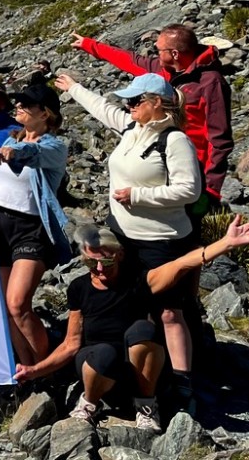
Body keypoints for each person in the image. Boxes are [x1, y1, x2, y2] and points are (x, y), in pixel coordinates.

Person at [16, 216, 249, 429]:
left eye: (106, 262)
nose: (100, 269)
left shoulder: (139, 281)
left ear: (121, 255)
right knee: (103, 353)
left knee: (144, 330)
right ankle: (89, 402)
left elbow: (182, 264)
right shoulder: (78, 288)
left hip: (138, 372)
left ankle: (146, 405)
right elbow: (71, 344)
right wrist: (35, 371)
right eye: (91, 263)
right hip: (99, 370)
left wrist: (226, 243)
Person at [56, 70, 202, 409]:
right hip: (122, 235)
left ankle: (182, 384)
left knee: (168, 312)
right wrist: (75, 87)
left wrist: (138, 195)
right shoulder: (131, 128)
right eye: (129, 100)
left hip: (161, 240)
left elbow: (189, 190)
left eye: (136, 100)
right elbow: (103, 110)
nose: (129, 105)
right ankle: (133, 369)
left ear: (156, 103)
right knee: (128, 303)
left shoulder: (175, 140)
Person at [71, 25, 233, 203]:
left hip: (190, 169)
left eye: (159, 50)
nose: (155, 54)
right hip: (155, 162)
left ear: (175, 54)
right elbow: (130, 60)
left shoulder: (210, 83)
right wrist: (90, 45)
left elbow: (219, 141)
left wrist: (211, 189)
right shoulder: (161, 70)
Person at [0, 84, 70, 367]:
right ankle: (26, 366)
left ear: (45, 113)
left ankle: (44, 367)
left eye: (27, 104)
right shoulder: (9, 141)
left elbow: (34, 154)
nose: (18, 107)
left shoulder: (54, 146)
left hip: (30, 228)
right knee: (6, 307)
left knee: (18, 303)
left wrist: (13, 154)